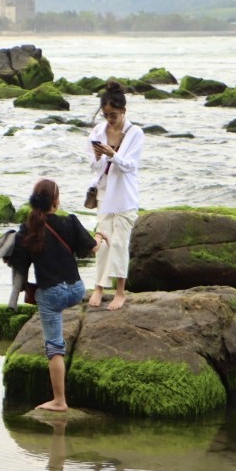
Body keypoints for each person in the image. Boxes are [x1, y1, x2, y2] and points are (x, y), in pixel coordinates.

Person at [6, 178, 105, 412]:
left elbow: (19, 264)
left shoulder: (27, 229)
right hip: (77, 290)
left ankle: (59, 401)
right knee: (55, 309)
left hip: (51, 295)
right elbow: (91, 247)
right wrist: (100, 236)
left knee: (54, 348)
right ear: (56, 202)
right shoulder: (69, 222)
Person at [87, 80, 144, 311]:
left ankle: (120, 291)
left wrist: (113, 154)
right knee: (101, 242)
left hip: (125, 198)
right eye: (106, 114)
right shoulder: (98, 131)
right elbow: (93, 166)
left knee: (120, 244)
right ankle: (99, 287)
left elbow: (130, 165)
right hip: (104, 195)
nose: (109, 119)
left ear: (123, 111)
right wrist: (99, 156)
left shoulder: (135, 133)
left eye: (113, 115)